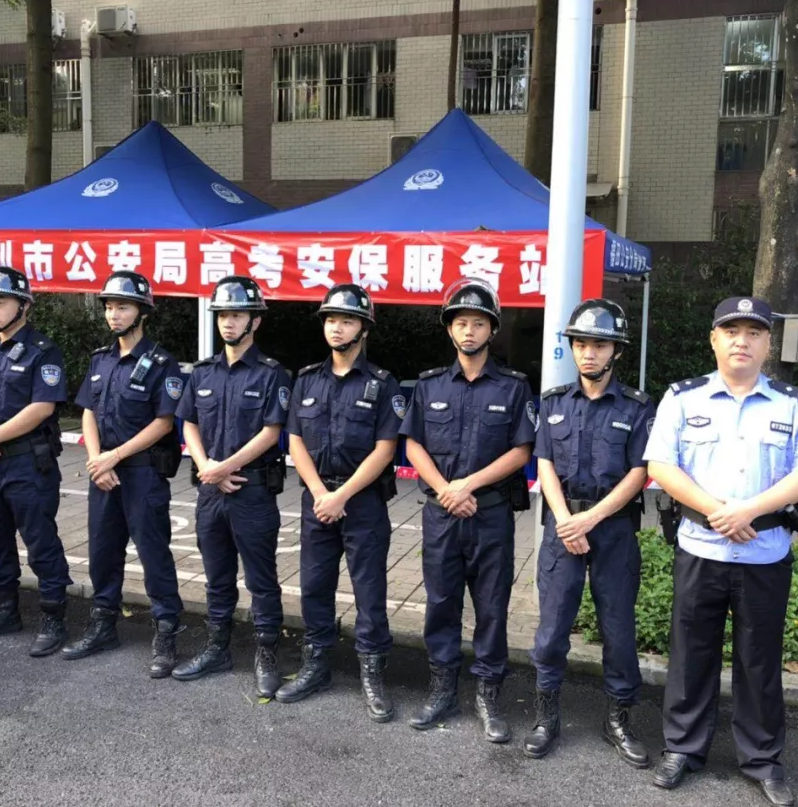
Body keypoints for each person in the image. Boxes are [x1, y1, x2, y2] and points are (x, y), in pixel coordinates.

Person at [643, 297, 798, 807]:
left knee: (760, 662)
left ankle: (763, 760)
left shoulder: (792, 403)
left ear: (768, 343)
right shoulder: (683, 398)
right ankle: (682, 749)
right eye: (731, 331)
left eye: (753, 333)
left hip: (764, 554)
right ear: (714, 340)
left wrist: (748, 510)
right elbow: (661, 465)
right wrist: (717, 511)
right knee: (690, 655)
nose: (741, 341)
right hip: (700, 549)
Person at [400, 278, 536, 743]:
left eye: (478, 323)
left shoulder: (513, 387)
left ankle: (488, 694)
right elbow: (413, 444)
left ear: (492, 330)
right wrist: (446, 490)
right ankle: (442, 689)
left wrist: (468, 485)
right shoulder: (430, 385)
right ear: (450, 330)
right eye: (461, 323)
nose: (469, 331)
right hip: (442, 514)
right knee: (440, 602)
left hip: (491, 514)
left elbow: (522, 450)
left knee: (492, 606)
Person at [524, 299, 655, 766]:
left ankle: (618, 718)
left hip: (612, 529)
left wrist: (590, 519)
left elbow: (639, 473)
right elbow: (544, 463)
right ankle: (546, 716)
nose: (588, 354)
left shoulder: (638, 406)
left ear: (616, 350)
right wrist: (566, 520)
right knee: (552, 628)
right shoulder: (554, 402)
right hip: (563, 527)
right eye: (581, 344)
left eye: (599, 345)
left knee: (618, 629)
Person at [275, 284, 402, 722]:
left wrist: (341, 496)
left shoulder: (382, 384)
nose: (336, 328)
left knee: (369, 591)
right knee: (314, 586)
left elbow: (385, 449)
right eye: (331, 320)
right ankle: (317, 664)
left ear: (363, 329)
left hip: (362, 503)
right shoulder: (307, 379)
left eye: (346, 321)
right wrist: (319, 494)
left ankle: (373, 671)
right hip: (318, 500)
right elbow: (294, 439)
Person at [62, 271, 187, 678]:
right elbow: (88, 411)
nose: (113, 315)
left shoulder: (162, 363)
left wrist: (113, 456)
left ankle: (166, 631)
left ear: (142, 313)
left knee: (153, 553)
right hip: (104, 474)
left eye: (123, 307)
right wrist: (96, 460)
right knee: (102, 552)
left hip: (142, 473)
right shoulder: (101, 359)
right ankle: (103, 625)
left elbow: (164, 422)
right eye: (110, 307)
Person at [173, 276, 291, 698]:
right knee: (216, 577)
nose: (228, 322)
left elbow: (272, 431)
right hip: (211, 492)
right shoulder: (203, 372)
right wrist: (206, 466)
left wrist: (226, 466)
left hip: (252, 491)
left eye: (237, 315)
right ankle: (217, 648)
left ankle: (267, 654)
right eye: (223, 314)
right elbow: (188, 421)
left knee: (262, 580)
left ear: (254, 321)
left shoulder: (272, 374)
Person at [0, 266, 71, 656]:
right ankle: (4, 612)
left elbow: (42, 407)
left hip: (26, 465)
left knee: (40, 542)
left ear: (23, 306)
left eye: (0, 301)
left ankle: (54, 617)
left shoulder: (43, 350)